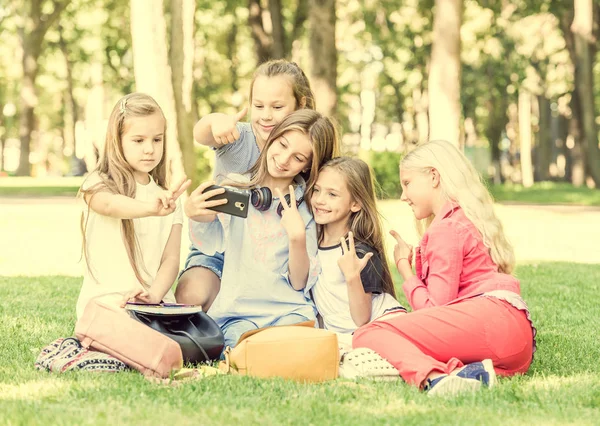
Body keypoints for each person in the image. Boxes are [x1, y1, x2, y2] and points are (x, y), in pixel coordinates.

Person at [352, 140, 536, 396]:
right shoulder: (467, 219)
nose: (403, 196)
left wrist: (405, 267)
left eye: (407, 183)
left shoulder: (446, 229)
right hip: (516, 345)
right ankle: (470, 375)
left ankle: (435, 378)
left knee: (369, 333)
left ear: (434, 176)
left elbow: (433, 309)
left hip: (492, 324)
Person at [185, 109, 338, 349]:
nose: (284, 158)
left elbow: (299, 283)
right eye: (283, 144)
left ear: (308, 167)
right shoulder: (235, 188)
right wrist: (197, 214)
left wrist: (297, 236)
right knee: (241, 346)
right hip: (238, 313)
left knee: (290, 347)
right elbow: (210, 243)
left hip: (289, 311)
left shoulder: (307, 207)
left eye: (298, 158)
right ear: (272, 137)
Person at [176, 59, 318, 310]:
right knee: (191, 296)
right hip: (218, 245)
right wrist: (216, 120)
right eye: (258, 105)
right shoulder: (237, 135)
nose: (265, 115)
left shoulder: (306, 149)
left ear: (300, 105)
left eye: (277, 106)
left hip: (272, 255)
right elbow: (202, 133)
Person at [76, 93, 190, 319]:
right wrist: (150, 209)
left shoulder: (166, 200)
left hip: (152, 305)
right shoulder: (97, 183)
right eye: (138, 140)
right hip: (107, 305)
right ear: (117, 141)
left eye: (157, 140)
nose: (149, 149)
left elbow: (171, 259)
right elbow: (109, 205)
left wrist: (153, 296)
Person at [309, 157, 405, 342]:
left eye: (332, 194)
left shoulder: (360, 252)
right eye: (316, 190)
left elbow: (362, 319)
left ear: (356, 204)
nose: (319, 200)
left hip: (382, 323)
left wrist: (352, 276)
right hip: (348, 335)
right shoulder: (312, 241)